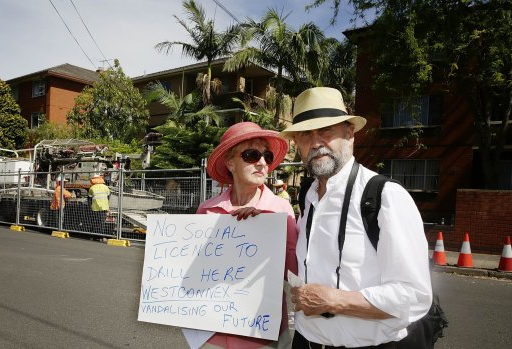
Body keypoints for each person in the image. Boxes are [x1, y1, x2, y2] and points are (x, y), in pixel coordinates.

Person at [280, 87, 432, 348]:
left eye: (325, 130)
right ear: (297, 144)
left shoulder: (384, 196)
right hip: (306, 341)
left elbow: (414, 296)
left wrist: (334, 301)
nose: (316, 142)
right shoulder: (308, 195)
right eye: (305, 134)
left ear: (349, 133)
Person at [182, 121, 298, 349]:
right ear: (230, 163)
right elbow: (191, 270)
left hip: (262, 333)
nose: (262, 162)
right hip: (212, 333)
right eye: (251, 155)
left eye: (267, 156)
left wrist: (265, 231)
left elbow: (294, 273)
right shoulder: (207, 210)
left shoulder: (281, 211)